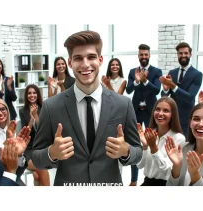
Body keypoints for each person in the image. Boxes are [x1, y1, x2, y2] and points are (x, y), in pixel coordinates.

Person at [31, 30, 142, 186]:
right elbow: (36, 157)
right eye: (78, 58)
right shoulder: (51, 107)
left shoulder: (123, 104)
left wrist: (126, 151)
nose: (85, 64)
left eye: (91, 57)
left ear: (100, 60)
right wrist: (52, 153)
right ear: (70, 63)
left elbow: (138, 151)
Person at [125, 44, 162, 186]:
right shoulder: (131, 71)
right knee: (135, 144)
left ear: (149, 55)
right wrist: (136, 80)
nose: (144, 57)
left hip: (150, 113)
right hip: (136, 112)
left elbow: (157, 90)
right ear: (138, 56)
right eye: (141, 55)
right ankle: (134, 180)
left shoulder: (156, 71)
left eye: (146, 54)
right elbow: (128, 90)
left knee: (153, 143)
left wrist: (145, 81)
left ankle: (153, 177)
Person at [136, 97, 185, 186]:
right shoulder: (149, 133)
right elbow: (140, 165)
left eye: (166, 111)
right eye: (157, 109)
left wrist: (154, 148)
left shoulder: (178, 138)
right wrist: (145, 146)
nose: (160, 113)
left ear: (172, 115)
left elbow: (169, 171)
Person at [160, 42, 203, 139]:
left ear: (190, 54)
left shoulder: (197, 74)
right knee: (169, 144)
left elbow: (189, 97)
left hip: (186, 118)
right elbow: (164, 97)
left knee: (184, 146)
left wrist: (172, 85)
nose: (183, 55)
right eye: (180, 53)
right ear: (177, 55)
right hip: (171, 117)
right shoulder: (172, 72)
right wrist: (166, 89)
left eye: (186, 53)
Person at [0, 98, 31, 185]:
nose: (0, 113)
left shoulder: (9, 129)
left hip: (15, 174)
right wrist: (9, 145)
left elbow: (17, 163)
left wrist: (19, 154)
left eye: (3, 109)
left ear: (7, 111)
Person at [19, 84, 50, 186]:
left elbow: (44, 130)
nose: (32, 95)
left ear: (37, 94)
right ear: (26, 96)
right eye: (29, 93)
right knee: (41, 167)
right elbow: (26, 132)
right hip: (29, 149)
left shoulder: (44, 107)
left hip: (42, 147)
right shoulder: (22, 111)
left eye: (34, 93)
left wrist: (36, 115)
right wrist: (31, 118)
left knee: (37, 176)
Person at [101, 58, 127, 175]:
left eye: (117, 65)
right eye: (112, 65)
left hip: (118, 115)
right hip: (105, 114)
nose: (115, 67)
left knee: (117, 142)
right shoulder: (104, 80)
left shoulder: (123, 81)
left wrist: (107, 85)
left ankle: (117, 174)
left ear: (120, 67)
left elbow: (118, 98)